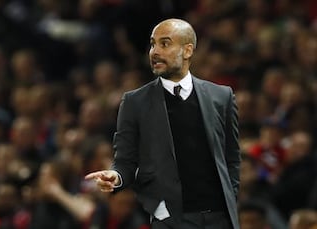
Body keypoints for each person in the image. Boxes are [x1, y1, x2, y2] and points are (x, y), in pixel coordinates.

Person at [85, 18, 241, 229]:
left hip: (219, 219)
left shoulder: (221, 96)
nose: (154, 51)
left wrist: (229, 197)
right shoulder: (134, 102)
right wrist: (116, 176)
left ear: (187, 51)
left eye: (165, 44)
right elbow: (125, 161)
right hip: (171, 220)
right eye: (152, 44)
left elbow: (231, 157)